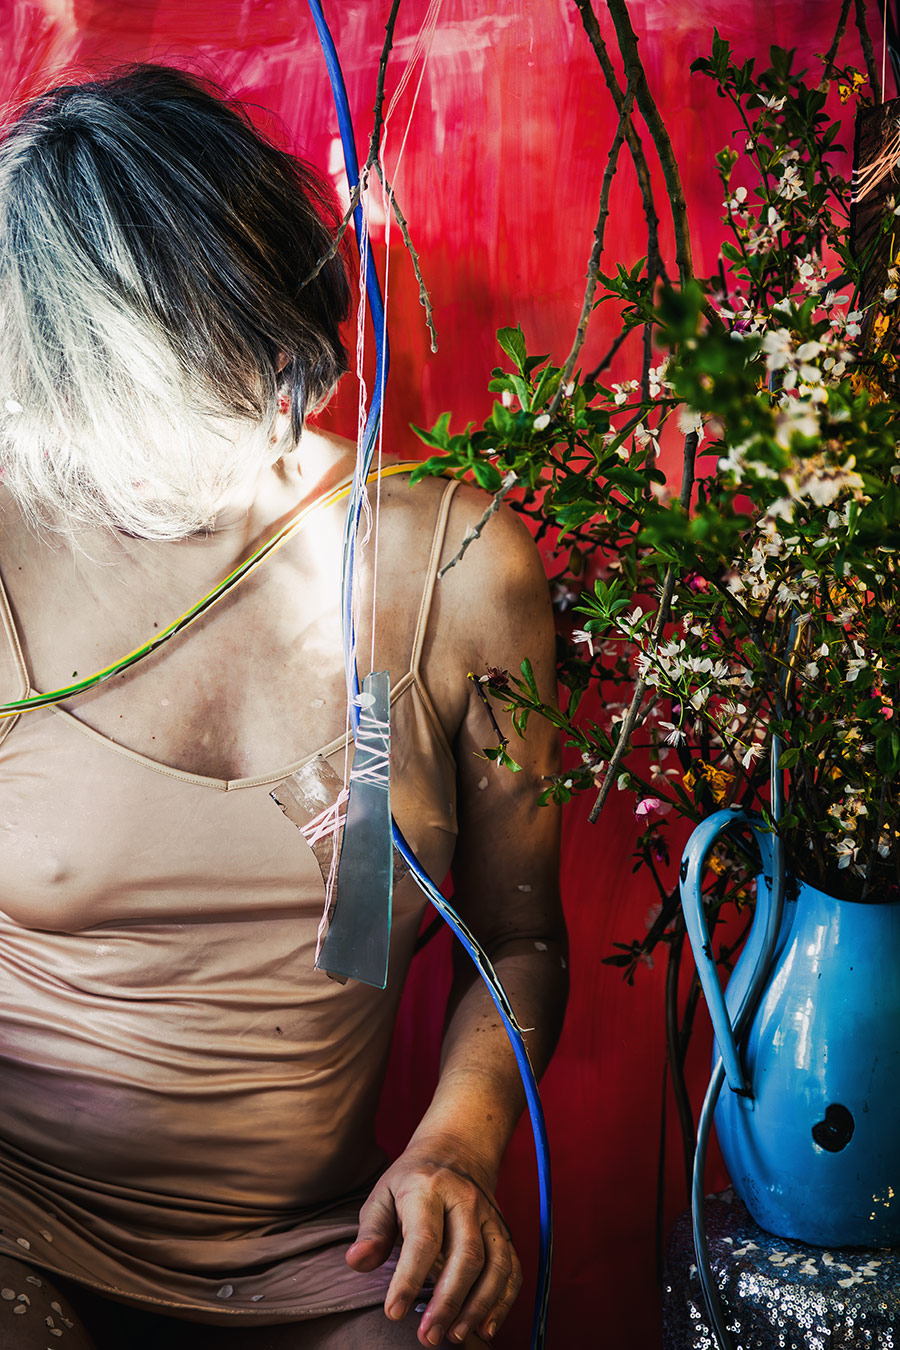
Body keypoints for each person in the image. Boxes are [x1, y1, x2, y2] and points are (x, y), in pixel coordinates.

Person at [0, 64, 567, 1350]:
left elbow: (522, 940)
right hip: (16, 1214)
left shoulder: (459, 572)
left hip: (316, 1248)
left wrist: (453, 1154)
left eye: (242, 372)